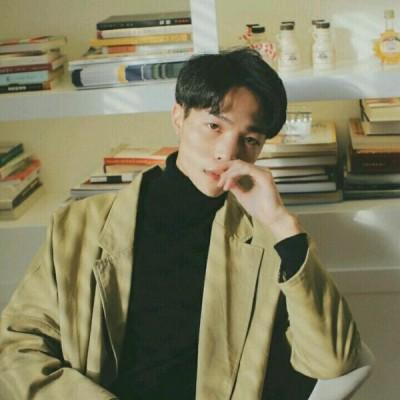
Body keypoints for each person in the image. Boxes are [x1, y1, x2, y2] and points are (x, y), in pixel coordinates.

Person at [0, 48, 361, 400]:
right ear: (178, 117)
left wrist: (281, 223)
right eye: (214, 126)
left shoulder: (270, 239)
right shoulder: (79, 227)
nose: (227, 152)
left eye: (250, 140)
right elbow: (17, 349)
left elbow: (332, 361)